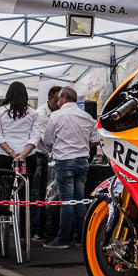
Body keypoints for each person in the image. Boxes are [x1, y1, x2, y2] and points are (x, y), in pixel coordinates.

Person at [42, 87, 99, 249]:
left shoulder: (56, 116)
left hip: (65, 160)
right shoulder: (87, 117)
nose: (57, 103)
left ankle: (63, 238)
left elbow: (47, 140)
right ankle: (80, 237)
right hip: (82, 161)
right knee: (80, 200)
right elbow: (95, 140)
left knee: (67, 200)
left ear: (64, 98)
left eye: (59, 99)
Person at [0, 81, 40, 236]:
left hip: (4, 157)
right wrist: (22, 154)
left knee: (2, 197)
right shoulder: (33, 113)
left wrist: (12, 153)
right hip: (28, 158)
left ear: (8, 94)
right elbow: (35, 137)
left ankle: (0, 236)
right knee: (25, 197)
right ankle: (24, 235)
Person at [29, 85, 62, 243]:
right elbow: (46, 140)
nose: (59, 104)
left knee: (43, 195)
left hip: (46, 155)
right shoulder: (41, 114)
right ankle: (36, 230)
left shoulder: (57, 113)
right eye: (56, 100)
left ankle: (41, 229)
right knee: (37, 194)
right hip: (38, 155)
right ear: (49, 99)